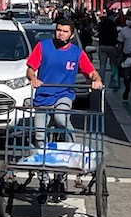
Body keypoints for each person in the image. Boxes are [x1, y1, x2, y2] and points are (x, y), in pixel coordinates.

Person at [25, 15, 103, 147]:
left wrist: (96, 80)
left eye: (65, 31)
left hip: (64, 94)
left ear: (71, 35)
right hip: (43, 95)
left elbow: (92, 73)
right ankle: (42, 157)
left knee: (61, 118)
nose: (61, 34)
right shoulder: (43, 46)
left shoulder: (76, 52)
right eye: (59, 30)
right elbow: (30, 69)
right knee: (39, 133)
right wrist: (33, 78)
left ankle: (71, 149)